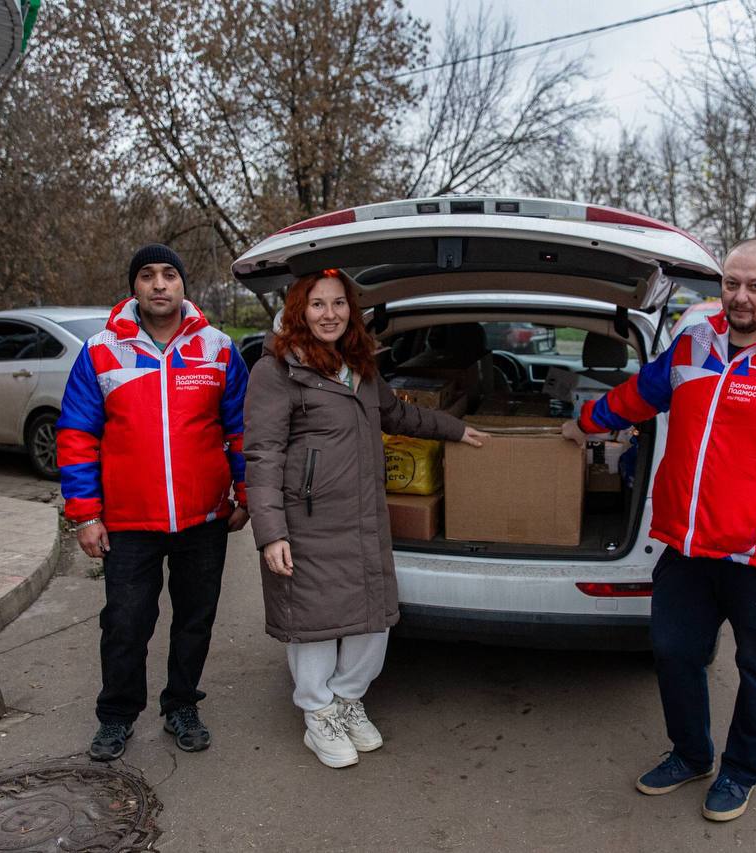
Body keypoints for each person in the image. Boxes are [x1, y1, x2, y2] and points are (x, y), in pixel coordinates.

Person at [563, 238, 756, 821]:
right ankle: (691, 754)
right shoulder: (692, 345)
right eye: (731, 284)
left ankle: (741, 773)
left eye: (754, 285)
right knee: (674, 654)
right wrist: (585, 425)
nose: (740, 297)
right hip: (688, 545)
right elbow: (640, 396)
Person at [244, 269, 488, 769]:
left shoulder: (360, 367)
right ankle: (318, 715)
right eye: (317, 304)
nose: (329, 314)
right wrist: (271, 534)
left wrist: (456, 430)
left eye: (339, 304)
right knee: (313, 622)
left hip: (364, 518)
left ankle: (346, 700)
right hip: (307, 521)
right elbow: (263, 454)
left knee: (371, 622)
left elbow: (399, 416)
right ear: (298, 310)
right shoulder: (276, 371)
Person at [57, 243, 250, 761]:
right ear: (134, 286)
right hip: (128, 522)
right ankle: (117, 717)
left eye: (169, 274)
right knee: (125, 624)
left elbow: (241, 431)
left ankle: (181, 706)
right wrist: (86, 515)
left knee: (194, 621)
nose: (159, 284)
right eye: (148, 275)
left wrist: (245, 494)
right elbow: (76, 435)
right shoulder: (101, 350)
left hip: (203, 520)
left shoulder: (218, 348)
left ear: (184, 285)